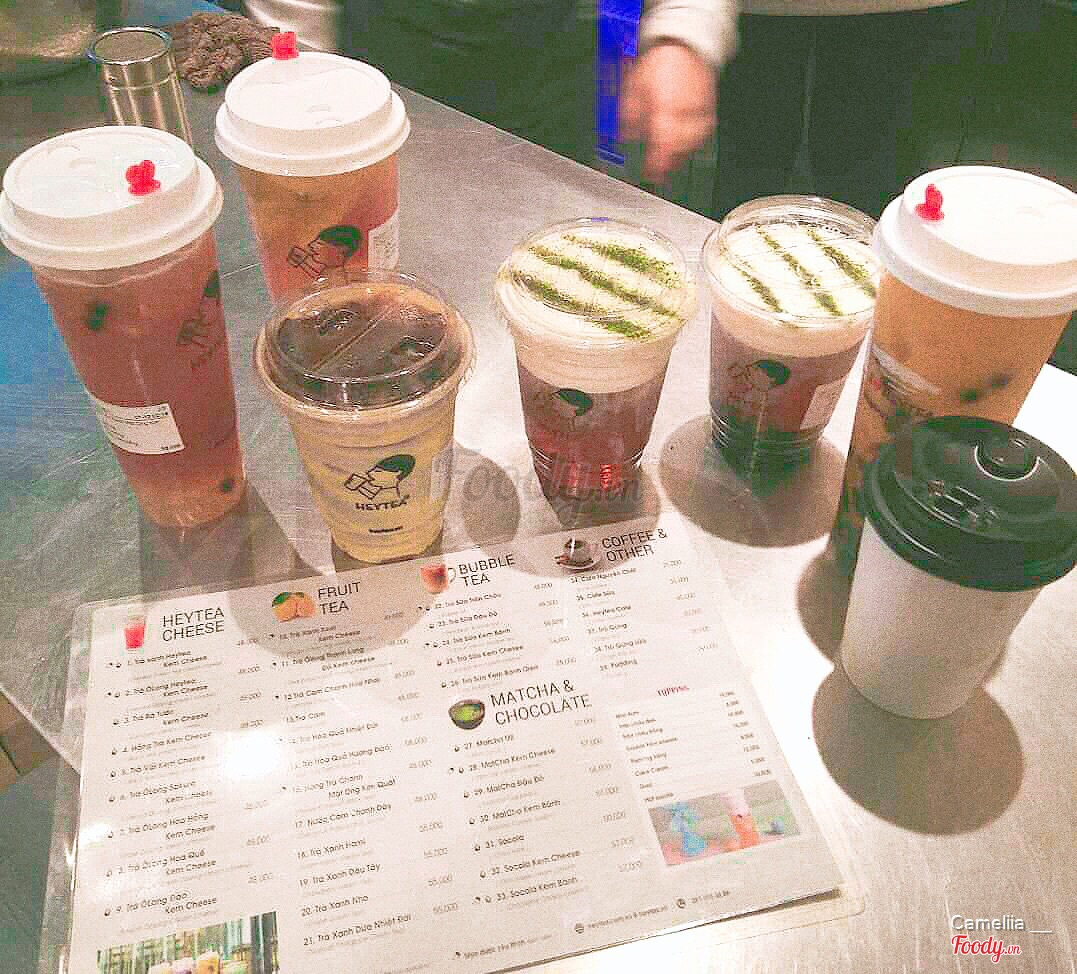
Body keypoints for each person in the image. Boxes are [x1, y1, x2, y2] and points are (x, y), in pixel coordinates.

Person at [623, 0, 981, 218]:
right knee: (750, 178)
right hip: (756, 11)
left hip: (907, 13)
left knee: (872, 191)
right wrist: (686, 21)